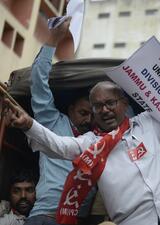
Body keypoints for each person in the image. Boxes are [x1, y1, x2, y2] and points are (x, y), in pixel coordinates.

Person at [7, 81, 160, 225]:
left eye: (110, 103)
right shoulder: (90, 143)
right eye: (97, 106)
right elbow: (58, 145)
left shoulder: (147, 122)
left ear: (124, 103)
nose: (105, 110)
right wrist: (29, 125)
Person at [25, 18, 92, 225]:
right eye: (83, 112)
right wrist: (52, 41)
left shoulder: (99, 138)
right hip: (46, 216)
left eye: (92, 114)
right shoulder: (52, 121)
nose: (88, 119)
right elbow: (38, 82)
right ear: (70, 109)